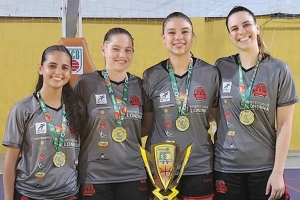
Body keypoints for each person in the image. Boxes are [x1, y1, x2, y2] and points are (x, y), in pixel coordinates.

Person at [214, 6, 298, 200]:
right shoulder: (221, 67)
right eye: (234, 28)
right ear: (229, 35)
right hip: (226, 167)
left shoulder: (279, 70)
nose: (241, 32)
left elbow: (285, 125)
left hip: (264, 167)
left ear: (257, 28)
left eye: (246, 25)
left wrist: (278, 172)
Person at [142, 12, 220, 200]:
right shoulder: (150, 75)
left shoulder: (211, 74)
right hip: (162, 167)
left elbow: (219, 118)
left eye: (185, 31)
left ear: (193, 36)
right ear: (163, 38)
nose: (178, 37)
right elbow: (147, 124)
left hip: (200, 164)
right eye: (171, 32)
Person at [2, 45, 85, 200]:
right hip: (30, 193)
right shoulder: (23, 109)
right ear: (41, 69)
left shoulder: (78, 108)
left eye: (65, 67)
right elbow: (10, 160)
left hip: (68, 194)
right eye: (52, 66)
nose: (58, 72)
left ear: (70, 73)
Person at [74, 27, 147, 200]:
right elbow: (75, 127)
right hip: (95, 175)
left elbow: (146, 126)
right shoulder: (86, 83)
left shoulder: (140, 85)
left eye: (128, 50)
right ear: (103, 50)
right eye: (116, 49)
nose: (122, 55)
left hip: (134, 174)